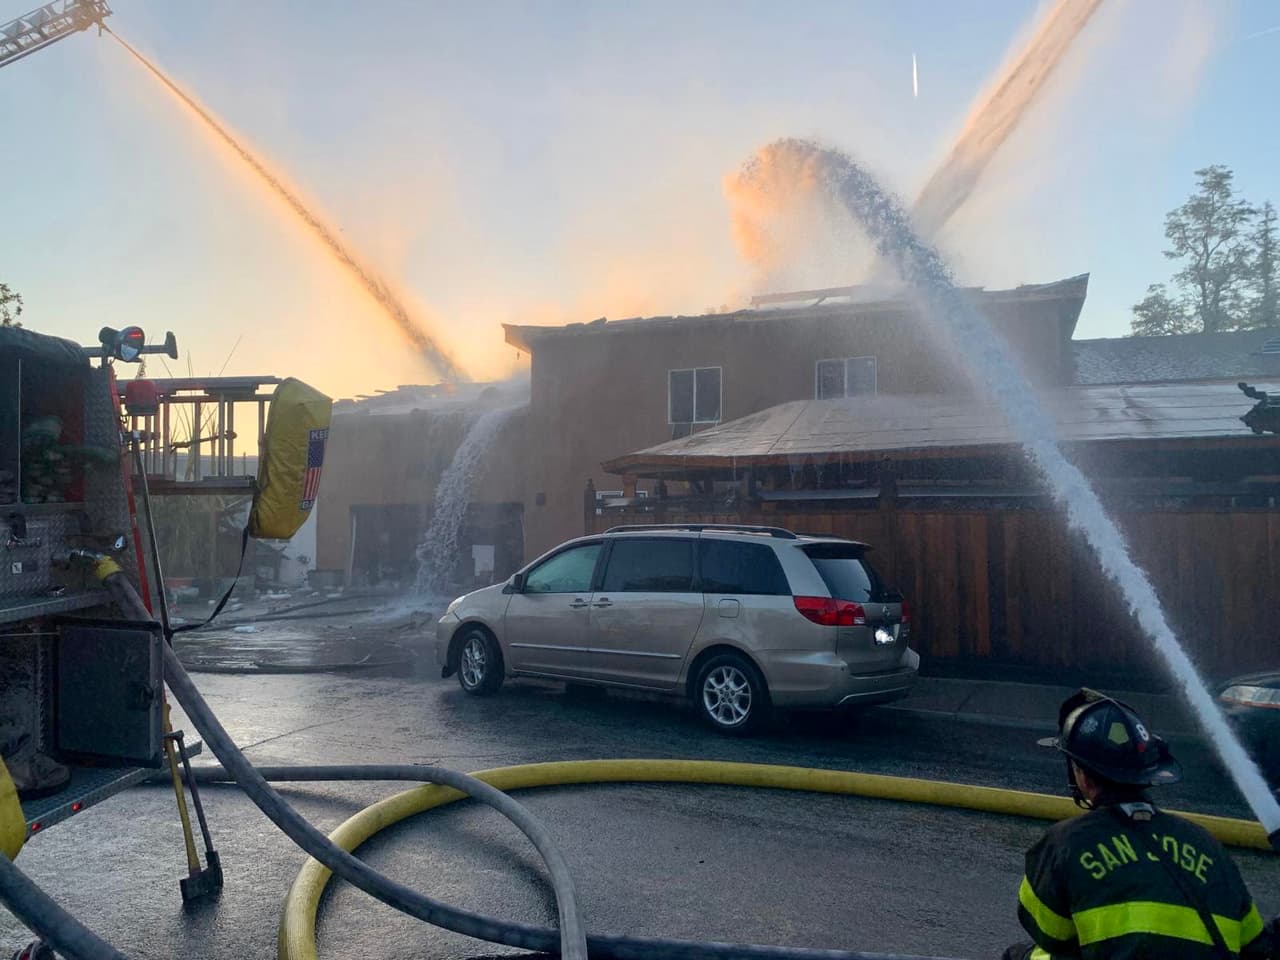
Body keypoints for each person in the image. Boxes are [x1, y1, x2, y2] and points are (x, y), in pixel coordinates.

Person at [1004, 688, 1275, 959]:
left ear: (1083, 777)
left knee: (1022, 955)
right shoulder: (1209, 846)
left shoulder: (1064, 844)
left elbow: (1049, 933)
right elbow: (1255, 945)